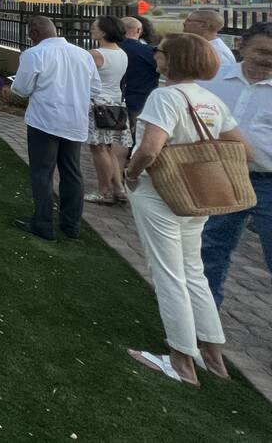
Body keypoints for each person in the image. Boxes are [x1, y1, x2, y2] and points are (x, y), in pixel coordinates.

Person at [122, 33, 252, 385]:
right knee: (193, 270)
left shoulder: (165, 96)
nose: (155, 55)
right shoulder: (210, 99)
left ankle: (181, 359)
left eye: (159, 51)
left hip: (161, 192)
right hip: (198, 193)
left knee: (168, 273)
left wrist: (130, 174)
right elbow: (242, 148)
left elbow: (149, 149)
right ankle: (213, 355)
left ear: (172, 59)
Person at [9, 16, 101, 241]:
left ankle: (43, 223)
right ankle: (71, 224)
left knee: (42, 173)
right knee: (72, 172)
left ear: (34, 33)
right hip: (74, 120)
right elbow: (96, 88)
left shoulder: (34, 54)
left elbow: (21, 88)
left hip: (45, 121)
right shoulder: (82, 54)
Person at [201, 22, 272, 309]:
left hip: (267, 183)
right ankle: (204, 320)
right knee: (212, 250)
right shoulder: (213, 79)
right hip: (222, 177)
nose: (267, 57)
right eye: (261, 50)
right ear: (242, 46)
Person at [85, 16, 130, 205]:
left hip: (98, 105)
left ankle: (104, 191)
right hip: (117, 104)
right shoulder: (122, 53)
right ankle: (119, 189)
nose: (91, 30)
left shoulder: (95, 54)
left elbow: (83, 76)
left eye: (94, 28)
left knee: (99, 149)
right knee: (109, 148)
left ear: (103, 32)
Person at [121, 15, 160, 135]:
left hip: (114, 100)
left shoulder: (112, 49)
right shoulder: (149, 52)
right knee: (137, 135)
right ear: (138, 30)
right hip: (141, 99)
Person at [182, 9, 235, 73]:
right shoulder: (206, 47)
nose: (184, 23)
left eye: (188, 20)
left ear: (204, 25)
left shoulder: (215, 53)